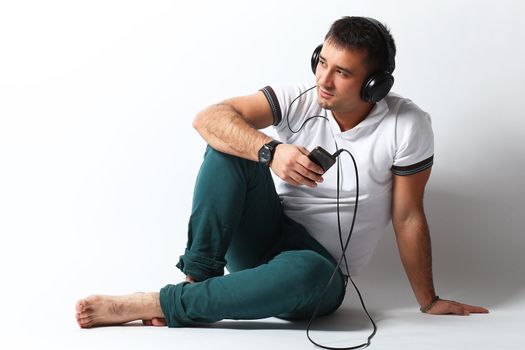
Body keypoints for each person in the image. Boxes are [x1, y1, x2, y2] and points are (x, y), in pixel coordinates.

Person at [75, 16, 488, 329]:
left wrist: (429, 300)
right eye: (321, 63)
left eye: (341, 73)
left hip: (317, 269)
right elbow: (209, 118)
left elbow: (408, 215)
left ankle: (161, 303)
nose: (323, 81)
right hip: (264, 233)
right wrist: (269, 150)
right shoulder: (300, 98)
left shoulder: (407, 124)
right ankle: (195, 282)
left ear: (374, 86)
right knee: (230, 147)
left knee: (309, 272)